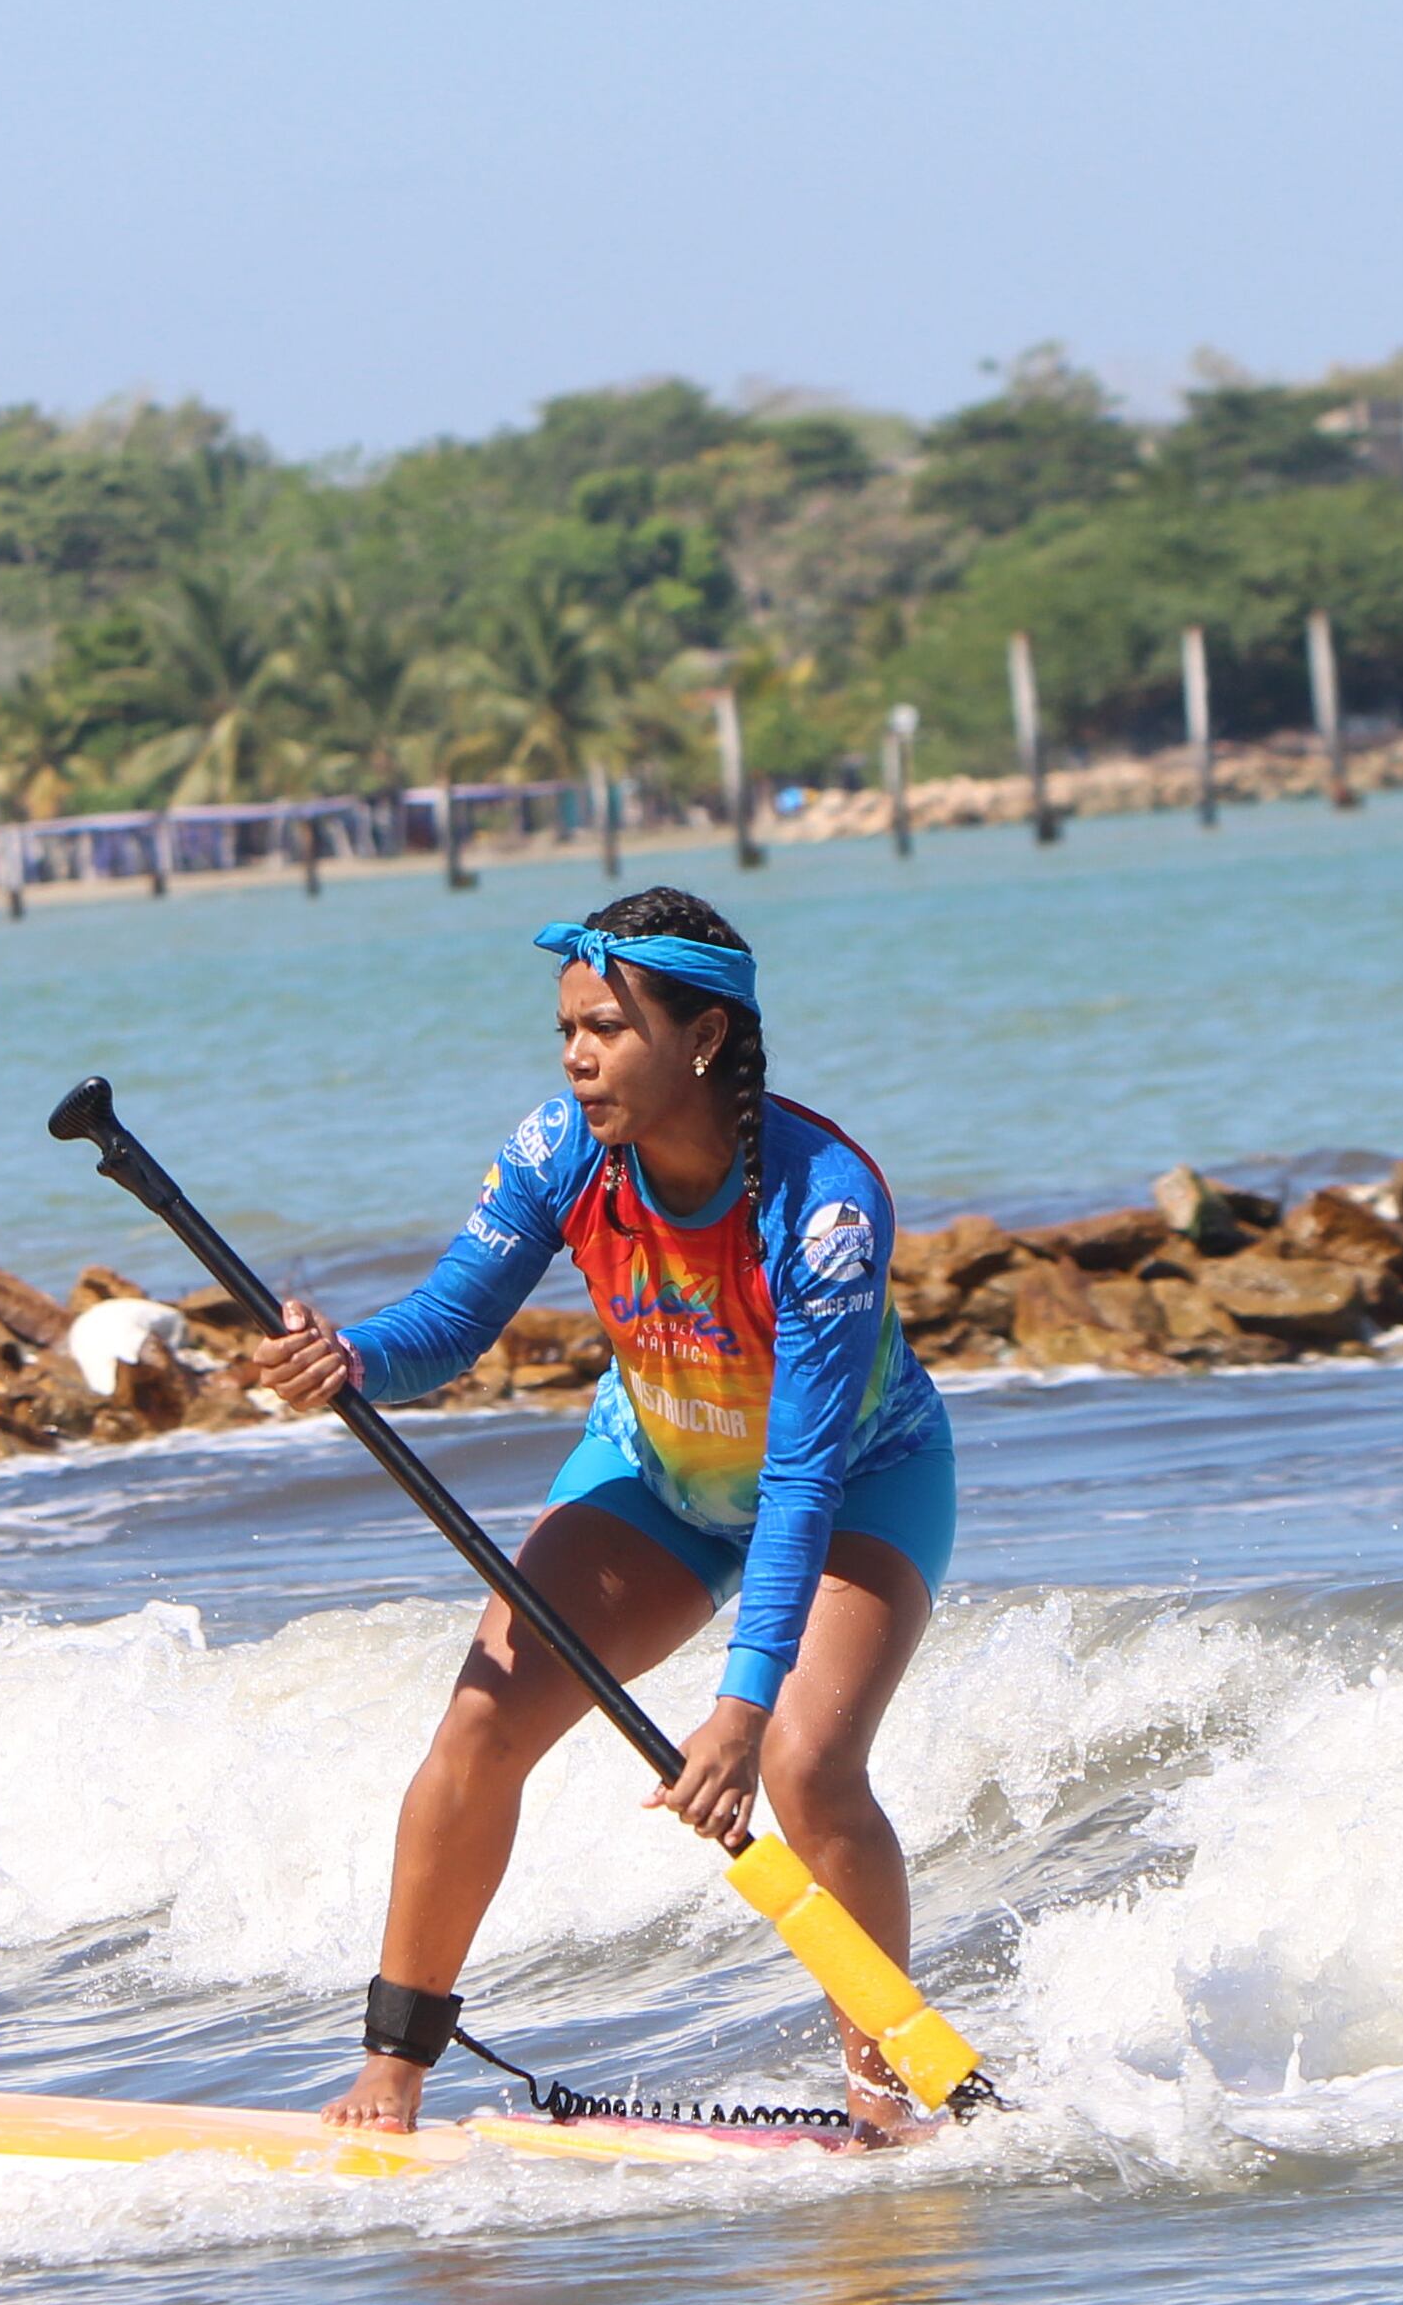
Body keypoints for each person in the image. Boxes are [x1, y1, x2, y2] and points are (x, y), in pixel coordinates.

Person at [257, 887, 957, 2136]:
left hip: (859, 1480)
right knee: (480, 1724)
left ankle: (882, 2092)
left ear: (700, 1038)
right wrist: (349, 1357)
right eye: (565, 1029)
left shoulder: (824, 1207)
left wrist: (740, 1710)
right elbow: (447, 1328)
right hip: (660, 1474)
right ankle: (392, 2066)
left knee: (805, 1761)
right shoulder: (556, 1153)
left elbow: (800, 1477)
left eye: (605, 1028)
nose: (576, 1055)